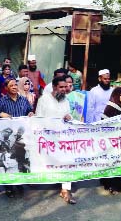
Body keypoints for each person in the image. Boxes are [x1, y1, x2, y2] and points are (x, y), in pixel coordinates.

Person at [36, 76, 76, 204]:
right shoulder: (44, 100)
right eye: (61, 87)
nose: (65, 89)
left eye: (66, 87)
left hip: (63, 138)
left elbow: (68, 115)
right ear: (54, 87)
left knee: (67, 161)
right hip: (48, 139)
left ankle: (65, 190)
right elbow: (38, 119)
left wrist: (69, 117)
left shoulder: (66, 100)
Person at [100, 87, 121, 196]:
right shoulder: (110, 107)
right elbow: (104, 125)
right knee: (112, 164)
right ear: (116, 96)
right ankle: (110, 184)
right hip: (112, 142)